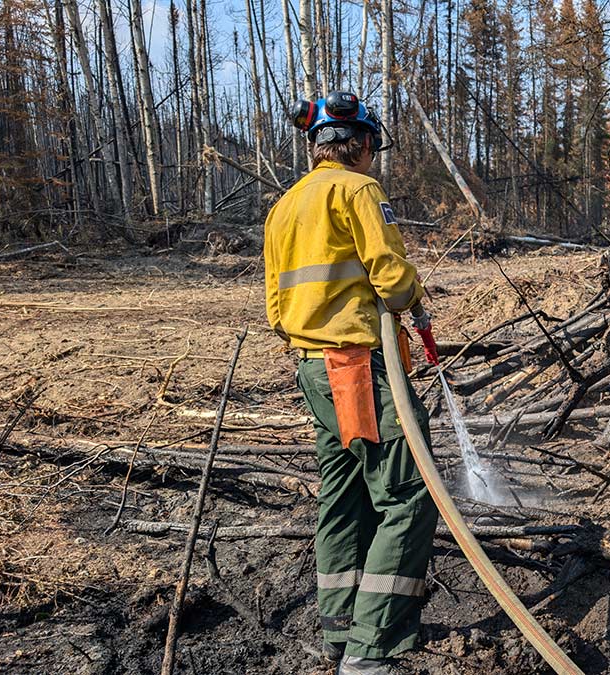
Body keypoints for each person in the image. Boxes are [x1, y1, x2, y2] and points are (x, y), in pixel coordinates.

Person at [263, 91, 437, 675]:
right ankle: (371, 649)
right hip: (355, 367)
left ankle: (339, 628)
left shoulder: (285, 206)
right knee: (410, 492)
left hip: (311, 367)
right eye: (371, 147)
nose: (371, 157)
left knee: (343, 496)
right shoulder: (358, 190)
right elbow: (388, 270)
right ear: (361, 144)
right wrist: (414, 305)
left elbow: (274, 305)